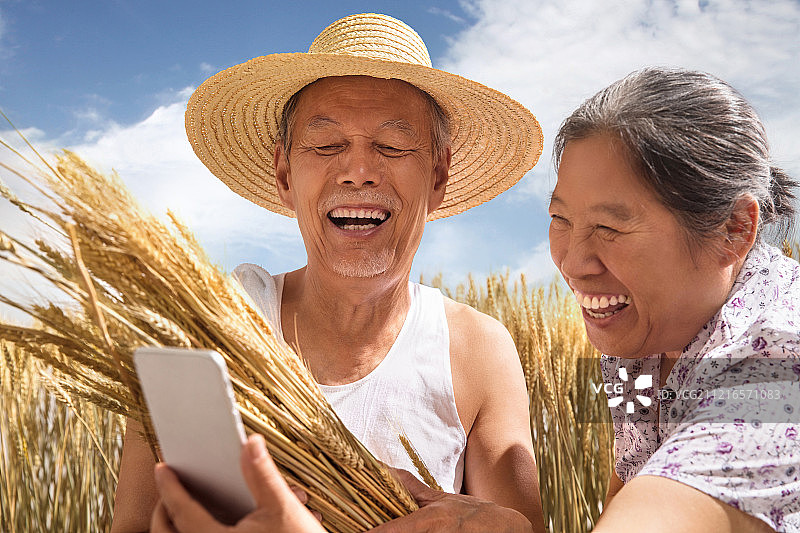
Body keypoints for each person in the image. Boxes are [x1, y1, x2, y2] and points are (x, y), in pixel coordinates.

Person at [152, 67, 799, 532]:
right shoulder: (636, 336)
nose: (573, 262)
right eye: (561, 219)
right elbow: (630, 476)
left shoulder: (773, 376)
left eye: (611, 226)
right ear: (283, 169)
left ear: (735, 230)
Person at [111, 12, 546, 533]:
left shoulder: (478, 350)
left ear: (438, 174)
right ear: (284, 174)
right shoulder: (200, 339)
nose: (359, 170)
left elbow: (521, 527)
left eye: (392, 145)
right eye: (325, 145)